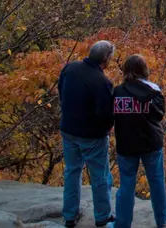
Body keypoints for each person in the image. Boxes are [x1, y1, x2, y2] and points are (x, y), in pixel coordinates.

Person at [58, 40, 117, 228]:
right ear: (106, 58)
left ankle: (69, 215)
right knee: (99, 176)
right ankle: (102, 216)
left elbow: (61, 91)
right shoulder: (102, 82)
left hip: (68, 131)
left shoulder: (70, 69)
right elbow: (106, 114)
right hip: (92, 136)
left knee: (71, 172)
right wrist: (105, 129)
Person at [110, 54, 166, 228]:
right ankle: (162, 221)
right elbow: (159, 115)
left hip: (126, 144)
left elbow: (110, 117)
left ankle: (122, 224)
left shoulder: (117, 92)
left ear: (126, 70)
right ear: (144, 70)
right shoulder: (153, 90)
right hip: (151, 143)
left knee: (126, 185)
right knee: (157, 182)